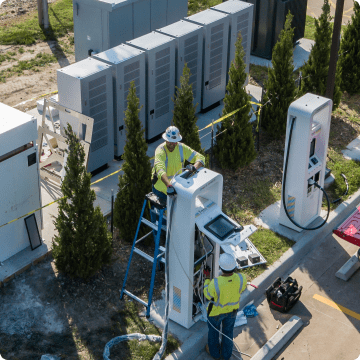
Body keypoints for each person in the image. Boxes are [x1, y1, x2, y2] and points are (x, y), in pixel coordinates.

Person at [203, 253, 247, 360]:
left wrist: (207, 279)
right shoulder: (241, 278)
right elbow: (241, 289)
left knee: (213, 333)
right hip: (232, 312)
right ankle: (226, 355)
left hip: (216, 313)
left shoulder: (216, 283)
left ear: (221, 268)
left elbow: (207, 294)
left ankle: (215, 354)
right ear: (234, 267)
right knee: (228, 332)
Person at [151, 126, 205, 199]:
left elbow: (200, 157)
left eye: (174, 142)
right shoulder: (160, 150)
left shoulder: (181, 148)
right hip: (161, 188)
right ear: (166, 140)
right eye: (170, 142)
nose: (172, 144)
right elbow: (160, 169)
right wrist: (168, 185)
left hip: (176, 186)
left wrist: (194, 167)